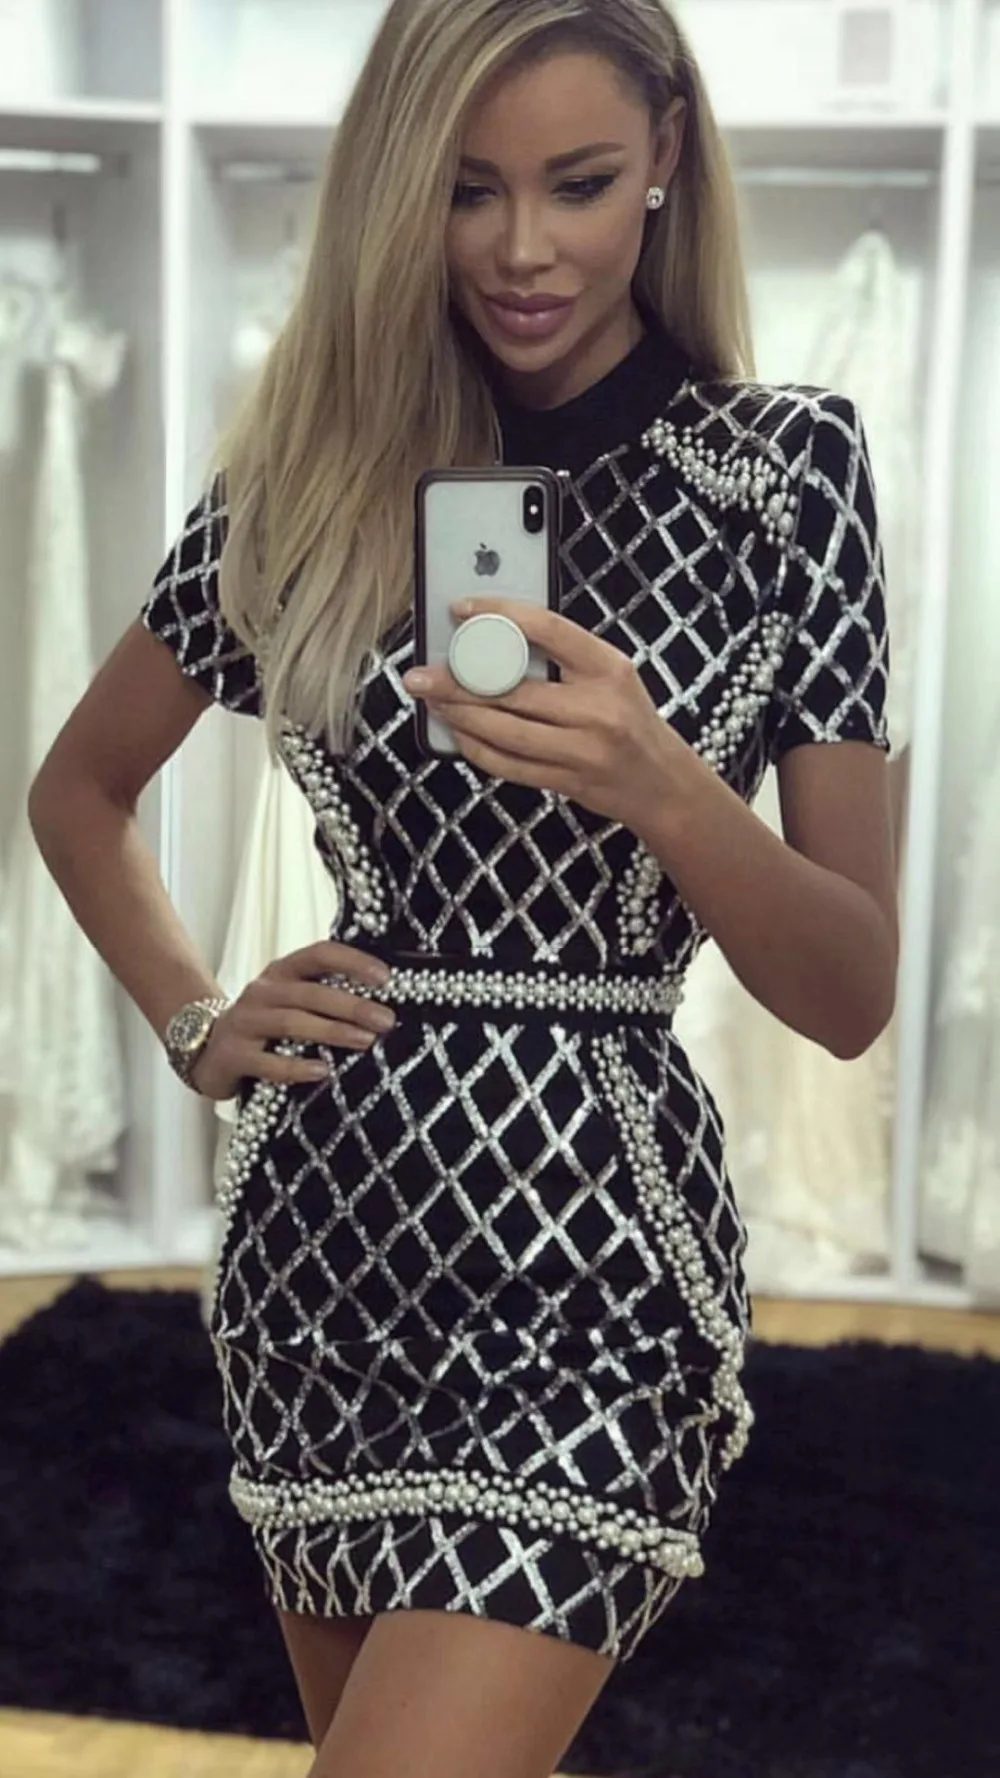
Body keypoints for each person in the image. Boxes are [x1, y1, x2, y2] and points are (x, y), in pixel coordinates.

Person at [27, 2, 899, 1775]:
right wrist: (197, 1021)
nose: (520, 249)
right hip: (325, 1247)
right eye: (464, 188)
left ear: (665, 157)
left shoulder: (786, 476)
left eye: (576, 182)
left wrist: (658, 778)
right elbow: (80, 789)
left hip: (600, 1258)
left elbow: (850, 986)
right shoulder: (310, 476)